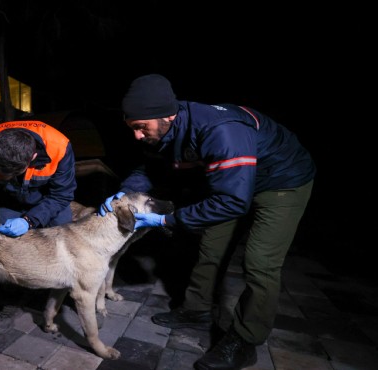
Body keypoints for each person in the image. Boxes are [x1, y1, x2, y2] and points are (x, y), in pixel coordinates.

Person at [99, 74, 315, 370]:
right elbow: (150, 168)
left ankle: (245, 340)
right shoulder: (163, 128)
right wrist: (126, 190)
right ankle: (196, 310)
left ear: (167, 116)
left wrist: (166, 219)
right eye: (132, 128)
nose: (137, 135)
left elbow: (233, 201)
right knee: (211, 247)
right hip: (232, 183)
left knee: (260, 261)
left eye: (140, 128)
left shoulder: (221, 131)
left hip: (281, 181)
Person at [0, 120, 77, 334]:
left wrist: (29, 221)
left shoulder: (59, 146)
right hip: (10, 200)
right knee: (9, 252)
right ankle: (11, 301)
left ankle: (60, 301)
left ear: (32, 158)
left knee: (64, 249)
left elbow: (62, 194)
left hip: (49, 199)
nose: (0, 176)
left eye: (9, 174)